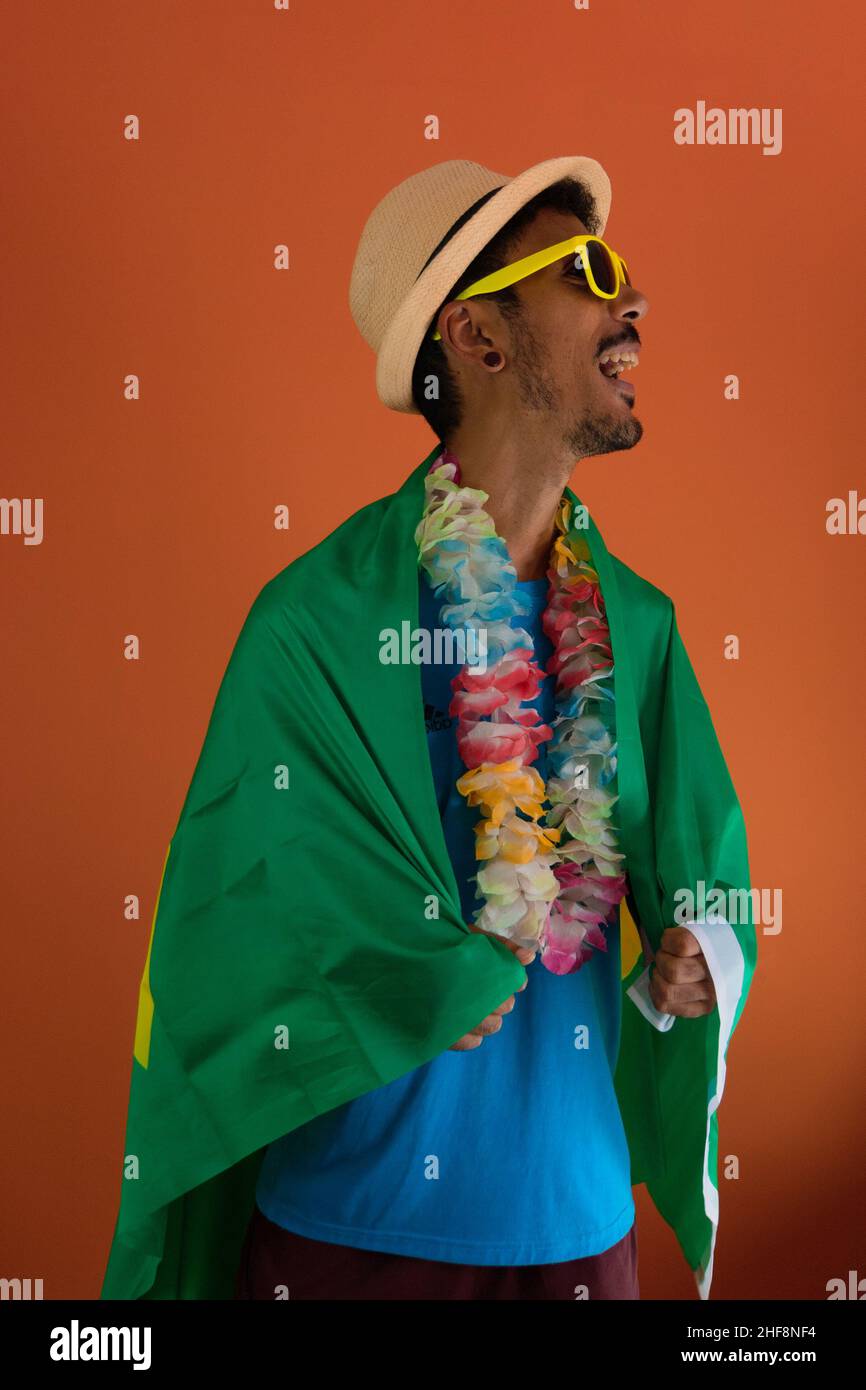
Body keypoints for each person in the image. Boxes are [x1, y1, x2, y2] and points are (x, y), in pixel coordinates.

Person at [101, 157, 756, 1305]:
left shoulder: (634, 625)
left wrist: (698, 952)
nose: (633, 300)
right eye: (590, 271)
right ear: (477, 335)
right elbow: (233, 912)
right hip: (350, 1227)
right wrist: (404, 977)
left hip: (574, 1221)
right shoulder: (317, 617)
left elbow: (706, 867)